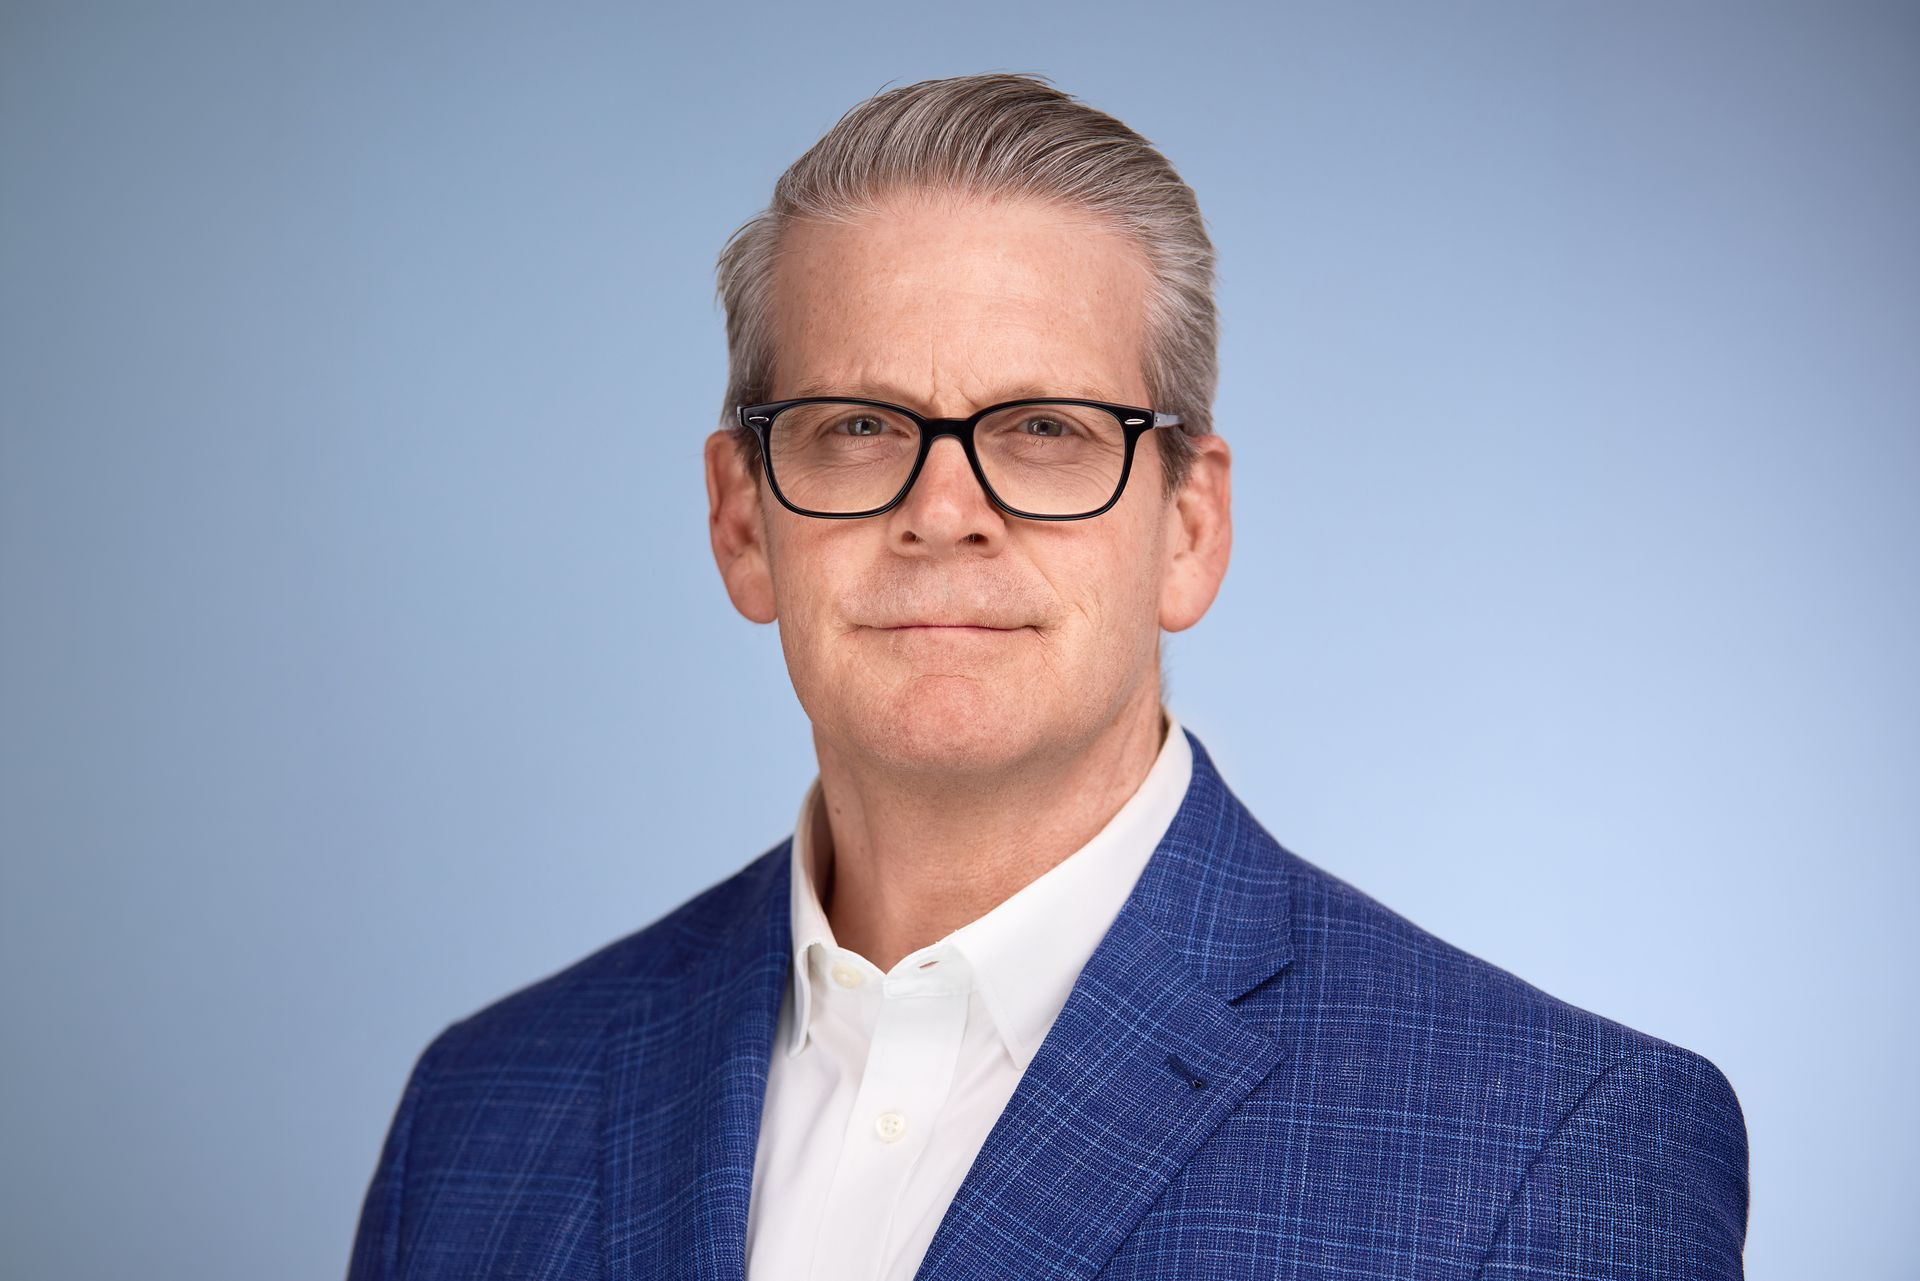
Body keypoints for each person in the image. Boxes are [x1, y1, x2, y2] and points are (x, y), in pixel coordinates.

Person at [346, 73, 1749, 1280]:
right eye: (854, 425)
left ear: (1189, 526)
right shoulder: (481, 1113)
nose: (944, 508)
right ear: (741, 521)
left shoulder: (1550, 1144)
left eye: (1045, 430)